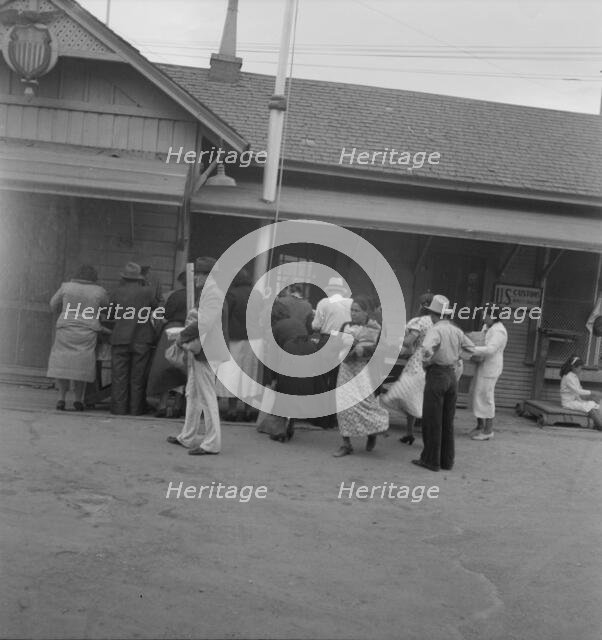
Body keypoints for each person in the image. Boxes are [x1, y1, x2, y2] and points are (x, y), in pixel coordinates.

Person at [167, 257, 230, 455]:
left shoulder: (212, 294)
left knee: (206, 397)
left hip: (206, 351)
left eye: (201, 274)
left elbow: (205, 322)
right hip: (204, 349)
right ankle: (187, 436)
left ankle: (212, 443)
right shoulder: (212, 292)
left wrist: (182, 336)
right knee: (192, 393)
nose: (196, 278)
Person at [413, 295, 475, 472]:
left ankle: (430, 460)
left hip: (437, 374)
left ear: (434, 314)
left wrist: (428, 362)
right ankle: (447, 461)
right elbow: (471, 349)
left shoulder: (436, 330)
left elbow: (426, 350)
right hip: (451, 375)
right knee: (447, 420)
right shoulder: (456, 330)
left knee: (432, 419)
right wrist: (456, 358)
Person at [333, 296, 389, 457]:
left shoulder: (375, 328)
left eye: (357, 311)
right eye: (351, 310)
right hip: (346, 369)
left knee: (366, 404)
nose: (353, 313)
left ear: (366, 312)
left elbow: (382, 350)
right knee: (343, 405)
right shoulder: (346, 326)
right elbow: (336, 344)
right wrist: (347, 344)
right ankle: (346, 443)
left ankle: (373, 431)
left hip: (364, 371)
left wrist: (363, 350)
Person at [47, 265, 109, 411]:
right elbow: (106, 307)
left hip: (66, 329)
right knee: (81, 365)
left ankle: (61, 398)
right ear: (93, 276)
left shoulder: (66, 287)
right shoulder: (99, 291)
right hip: (87, 331)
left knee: (63, 364)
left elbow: (52, 304)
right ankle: (78, 399)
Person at [380, 293, 434, 445]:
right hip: (433, 362)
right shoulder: (440, 323)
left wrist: (395, 340)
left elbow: (408, 341)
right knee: (419, 398)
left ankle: (418, 432)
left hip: (418, 363)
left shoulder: (420, 321)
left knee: (402, 394)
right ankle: (410, 433)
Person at [108, 262, 159, 415]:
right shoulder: (148, 291)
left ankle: (119, 409)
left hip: (120, 337)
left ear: (124, 277)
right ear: (139, 278)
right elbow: (156, 308)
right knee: (138, 376)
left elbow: (110, 314)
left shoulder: (116, 291)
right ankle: (136, 409)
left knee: (119, 376)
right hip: (142, 338)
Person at [217, 268, 260, 421]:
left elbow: (224, 315)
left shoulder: (231, 295)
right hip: (254, 339)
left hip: (235, 338)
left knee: (231, 374)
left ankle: (232, 410)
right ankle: (248, 411)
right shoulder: (257, 294)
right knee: (250, 375)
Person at [312, 276, 353, 427]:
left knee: (322, 378)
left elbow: (316, 326)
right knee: (337, 380)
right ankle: (334, 418)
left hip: (327, 340)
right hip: (344, 341)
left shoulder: (324, 303)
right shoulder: (350, 303)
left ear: (329, 290)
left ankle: (321, 418)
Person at [146, 271, 188, 417]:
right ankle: (177, 406)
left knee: (165, 366)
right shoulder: (202, 295)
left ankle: (163, 405)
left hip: (172, 330)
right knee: (183, 368)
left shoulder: (176, 295)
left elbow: (166, 315)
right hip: (191, 330)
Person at [469, 309, 508, 440]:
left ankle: (488, 430)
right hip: (483, 365)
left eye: (486, 315)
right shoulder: (487, 326)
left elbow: (491, 349)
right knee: (477, 394)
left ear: (493, 316)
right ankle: (480, 425)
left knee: (486, 397)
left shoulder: (499, 331)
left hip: (491, 368)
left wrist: (471, 349)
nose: (483, 317)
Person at [559, 355, 602, 429]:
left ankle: (598, 423)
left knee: (595, 403)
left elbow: (580, 388)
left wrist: (590, 396)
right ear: (573, 367)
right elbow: (577, 391)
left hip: (576, 400)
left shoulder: (574, 376)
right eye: (580, 368)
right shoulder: (568, 377)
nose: (580, 370)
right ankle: (600, 425)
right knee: (590, 406)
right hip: (568, 403)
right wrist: (592, 392)